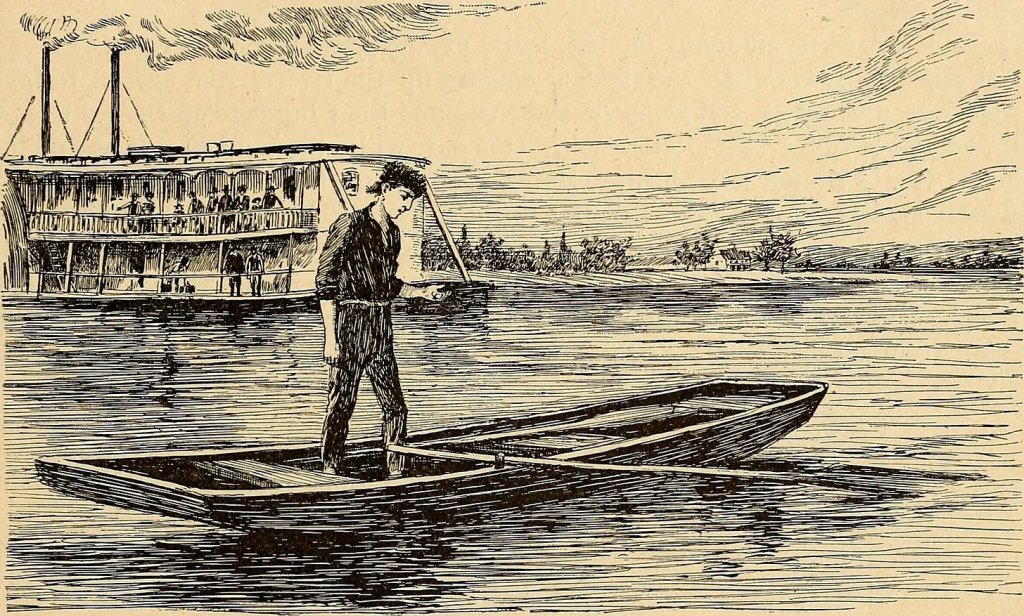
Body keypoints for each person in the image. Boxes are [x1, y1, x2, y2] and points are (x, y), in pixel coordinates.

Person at [316, 161, 449, 477]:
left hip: (380, 327)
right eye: (403, 197)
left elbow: (388, 285)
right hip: (350, 323)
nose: (406, 206)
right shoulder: (348, 225)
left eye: (411, 201)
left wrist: (423, 293)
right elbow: (325, 281)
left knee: (395, 407)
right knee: (341, 405)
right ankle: (329, 470)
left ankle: (396, 472)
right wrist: (331, 339)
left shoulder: (394, 234)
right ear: (385, 189)